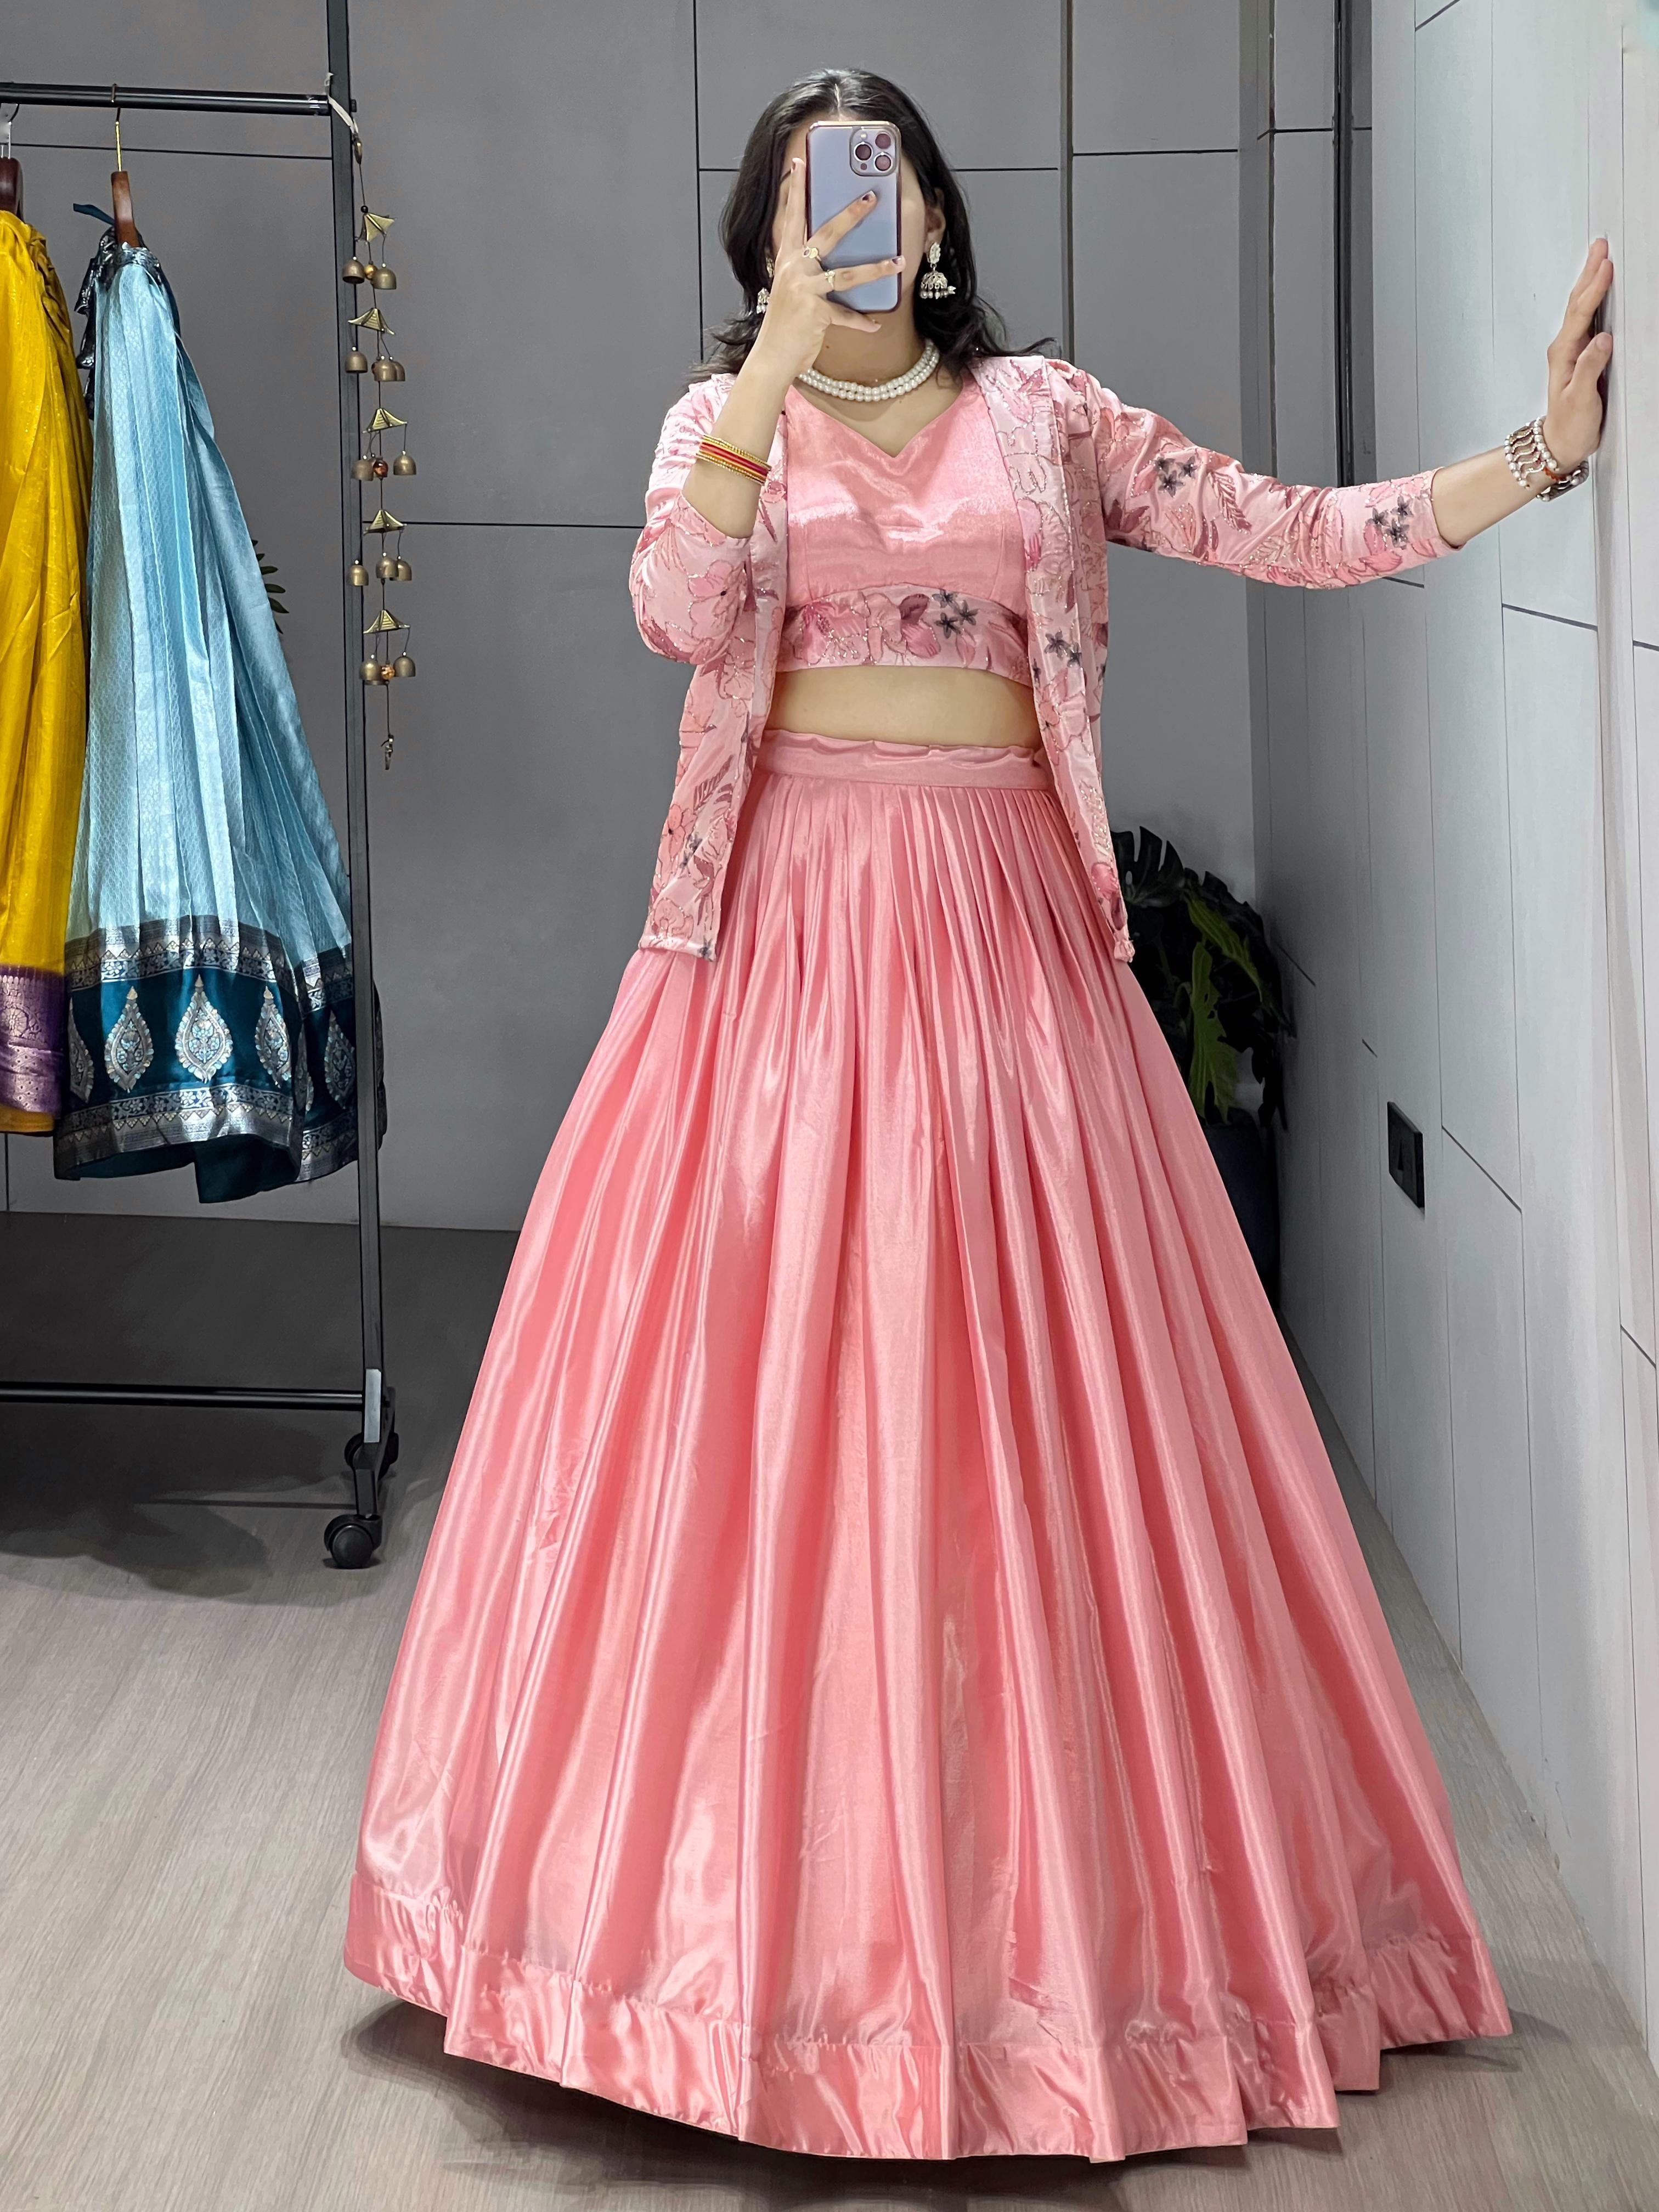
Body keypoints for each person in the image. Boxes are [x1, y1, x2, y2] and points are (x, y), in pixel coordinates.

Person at [343, 69, 1611, 2163]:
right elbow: (678, 611)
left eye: (887, 181)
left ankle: (1046, 1964)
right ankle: (723, 1974)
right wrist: (768, 370)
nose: (858, 216)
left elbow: (1284, 530)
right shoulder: (717, 424)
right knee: (752, 1432)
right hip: (770, 952)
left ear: (936, 215)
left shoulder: (1049, 417)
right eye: (810, 196)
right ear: (767, 235)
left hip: (1010, 942)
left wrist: (1539, 459)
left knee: (1022, 1427)